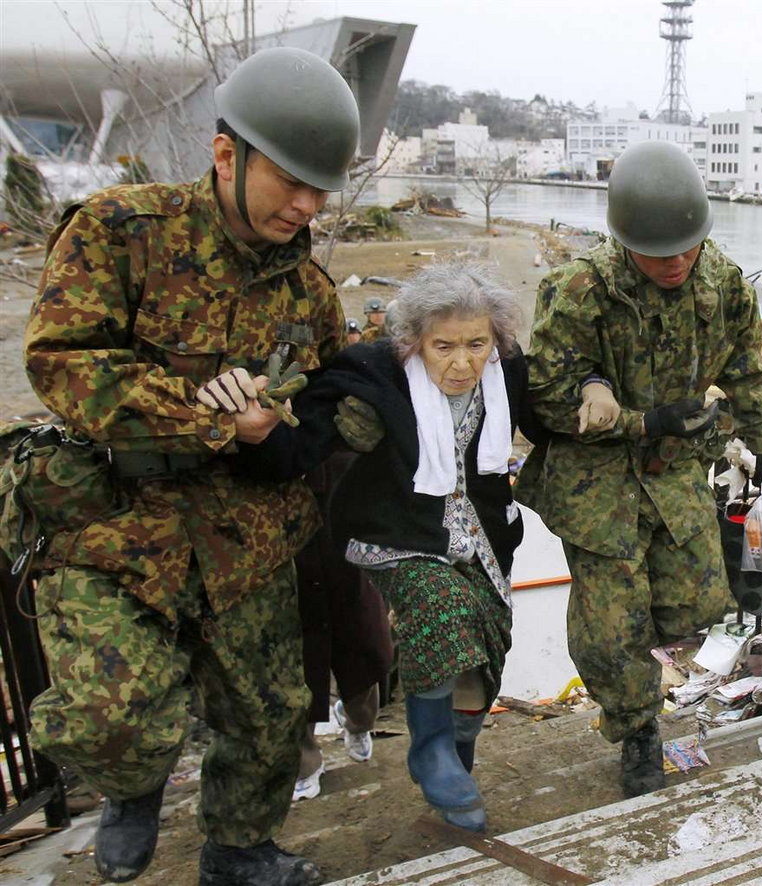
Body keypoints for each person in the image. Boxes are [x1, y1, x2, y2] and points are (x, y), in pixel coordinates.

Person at [22, 46, 360, 886]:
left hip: (246, 538)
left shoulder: (308, 288)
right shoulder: (121, 231)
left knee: (271, 718)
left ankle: (238, 849)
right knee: (112, 715)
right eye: (291, 181)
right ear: (225, 155)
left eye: (323, 188)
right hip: (117, 528)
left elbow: (329, 387)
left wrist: (292, 435)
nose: (308, 205)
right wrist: (214, 422)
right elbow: (63, 362)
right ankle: (131, 785)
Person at [236, 261, 545, 832]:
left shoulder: (508, 373)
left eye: (477, 344)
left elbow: (550, 420)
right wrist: (258, 430)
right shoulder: (373, 373)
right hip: (396, 531)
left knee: (486, 641)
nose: (462, 363)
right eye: (443, 346)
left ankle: (456, 759)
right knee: (441, 609)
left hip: (480, 534)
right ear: (413, 342)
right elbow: (299, 444)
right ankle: (429, 752)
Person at [521, 140, 762, 799]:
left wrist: (761, 439)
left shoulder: (721, 284)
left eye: (687, 248)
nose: (676, 263)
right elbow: (546, 397)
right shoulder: (580, 291)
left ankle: (680, 689)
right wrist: (635, 418)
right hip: (596, 482)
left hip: (675, 476)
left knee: (700, 606)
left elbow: (747, 367)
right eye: (659, 254)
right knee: (610, 631)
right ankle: (637, 732)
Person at [292, 452, 394, 802]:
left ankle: (358, 721)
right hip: (285, 530)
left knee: (367, 645)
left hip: (348, 527)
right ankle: (305, 764)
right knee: (296, 657)